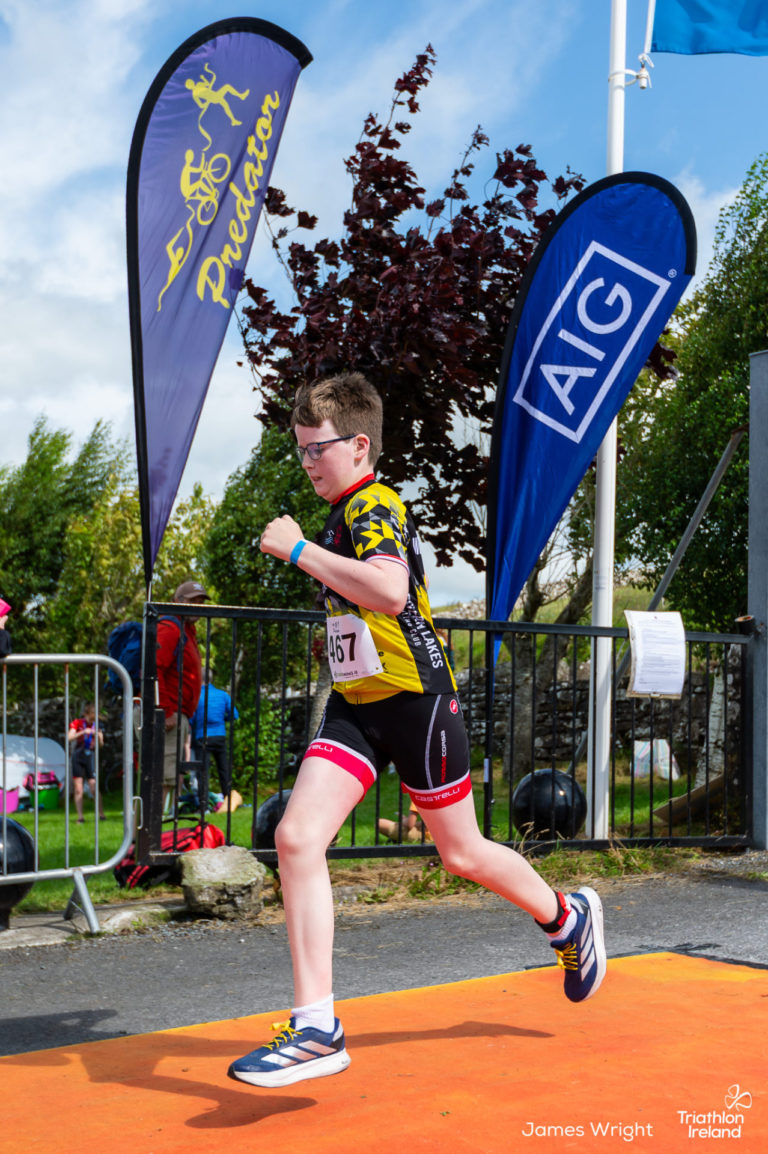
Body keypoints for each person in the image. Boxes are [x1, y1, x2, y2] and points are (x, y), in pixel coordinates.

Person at [228, 372, 606, 1090]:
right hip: (357, 705)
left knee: (460, 853)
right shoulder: (343, 511)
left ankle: (567, 916)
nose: (307, 462)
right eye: (300, 451)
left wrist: (298, 550)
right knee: (297, 837)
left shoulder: (373, 502)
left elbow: (391, 589)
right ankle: (316, 1027)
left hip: (415, 704)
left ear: (360, 444)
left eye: (318, 449)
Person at [156, 581, 207, 811]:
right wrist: (165, 711)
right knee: (163, 780)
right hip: (169, 716)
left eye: (201, 600)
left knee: (171, 778)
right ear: (179, 601)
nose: (198, 605)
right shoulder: (171, 627)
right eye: (193, 600)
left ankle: (158, 839)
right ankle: (150, 843)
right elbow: (154, 669)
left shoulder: (187, 630)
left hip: (178, 715)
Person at [189, 673, 239, 801]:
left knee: (203, 772)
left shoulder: (197, 697)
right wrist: (222, 719)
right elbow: (234, 714)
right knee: (223, 768)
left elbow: (191, 718)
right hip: (219, 735)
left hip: (202, 736)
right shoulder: (222, 695)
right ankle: (228, 798)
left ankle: (203, 802)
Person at [68, 703, 106, 823]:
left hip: (90, 756)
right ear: (86, 714)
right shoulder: (77, 723)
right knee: (78, 788)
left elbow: (101, 745)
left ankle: (101, 814)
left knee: (93, 787)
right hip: (77, 756)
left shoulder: (97, 725)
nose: (92, 719)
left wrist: (99, 737)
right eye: (90, 717)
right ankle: (80, 817)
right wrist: (83, 732)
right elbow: (69, 738)